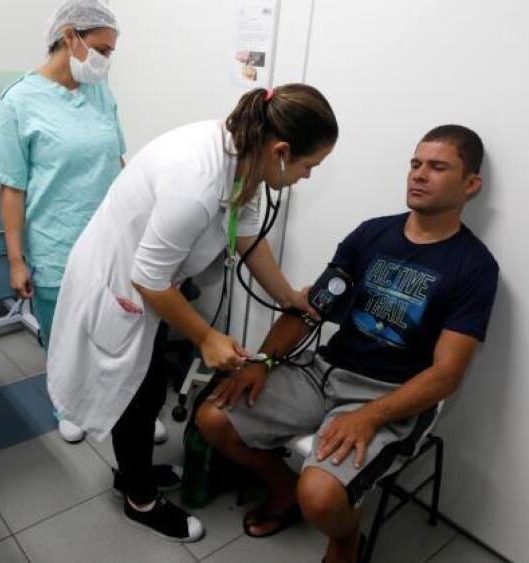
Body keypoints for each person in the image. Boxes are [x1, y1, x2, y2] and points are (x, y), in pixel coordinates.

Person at [47, 84, 339, 542]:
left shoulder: (245, 158)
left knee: (147, 386)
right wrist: (206, 337)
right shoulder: (197, 182)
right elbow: (148, 279)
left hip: (152, 288)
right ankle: (139, 499)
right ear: (281, 151)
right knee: (136, 394)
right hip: (123, 286)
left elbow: (247, 237)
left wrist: (287, 297)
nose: (307, 176)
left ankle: (133, 473)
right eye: (308, 165)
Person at [197, 125, 499, 562]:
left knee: (320, 494)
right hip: (326, 372)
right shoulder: (372, 235)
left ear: (471, 184)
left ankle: (345, 542)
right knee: (214, 419)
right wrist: (261, 361)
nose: (419, 175)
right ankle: (284, 491)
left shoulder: (474, 268)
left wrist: (371, 416)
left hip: (390, 395)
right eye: (415, 164)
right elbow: (311, 309)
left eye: (437, 167)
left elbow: (446, 374)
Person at [0, 0, 165, 444]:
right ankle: (67, 403)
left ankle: (127, 409)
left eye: (111, 51)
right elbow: (12, 188)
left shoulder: (99, 91)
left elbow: (119, 163)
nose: (107, 60)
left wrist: (141, 222)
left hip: (110, 239)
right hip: (55, 240)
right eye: (102, 49)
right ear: (70, 37)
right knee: (64, 332)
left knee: (116, 327)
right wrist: (15, 260)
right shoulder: (18, 102)